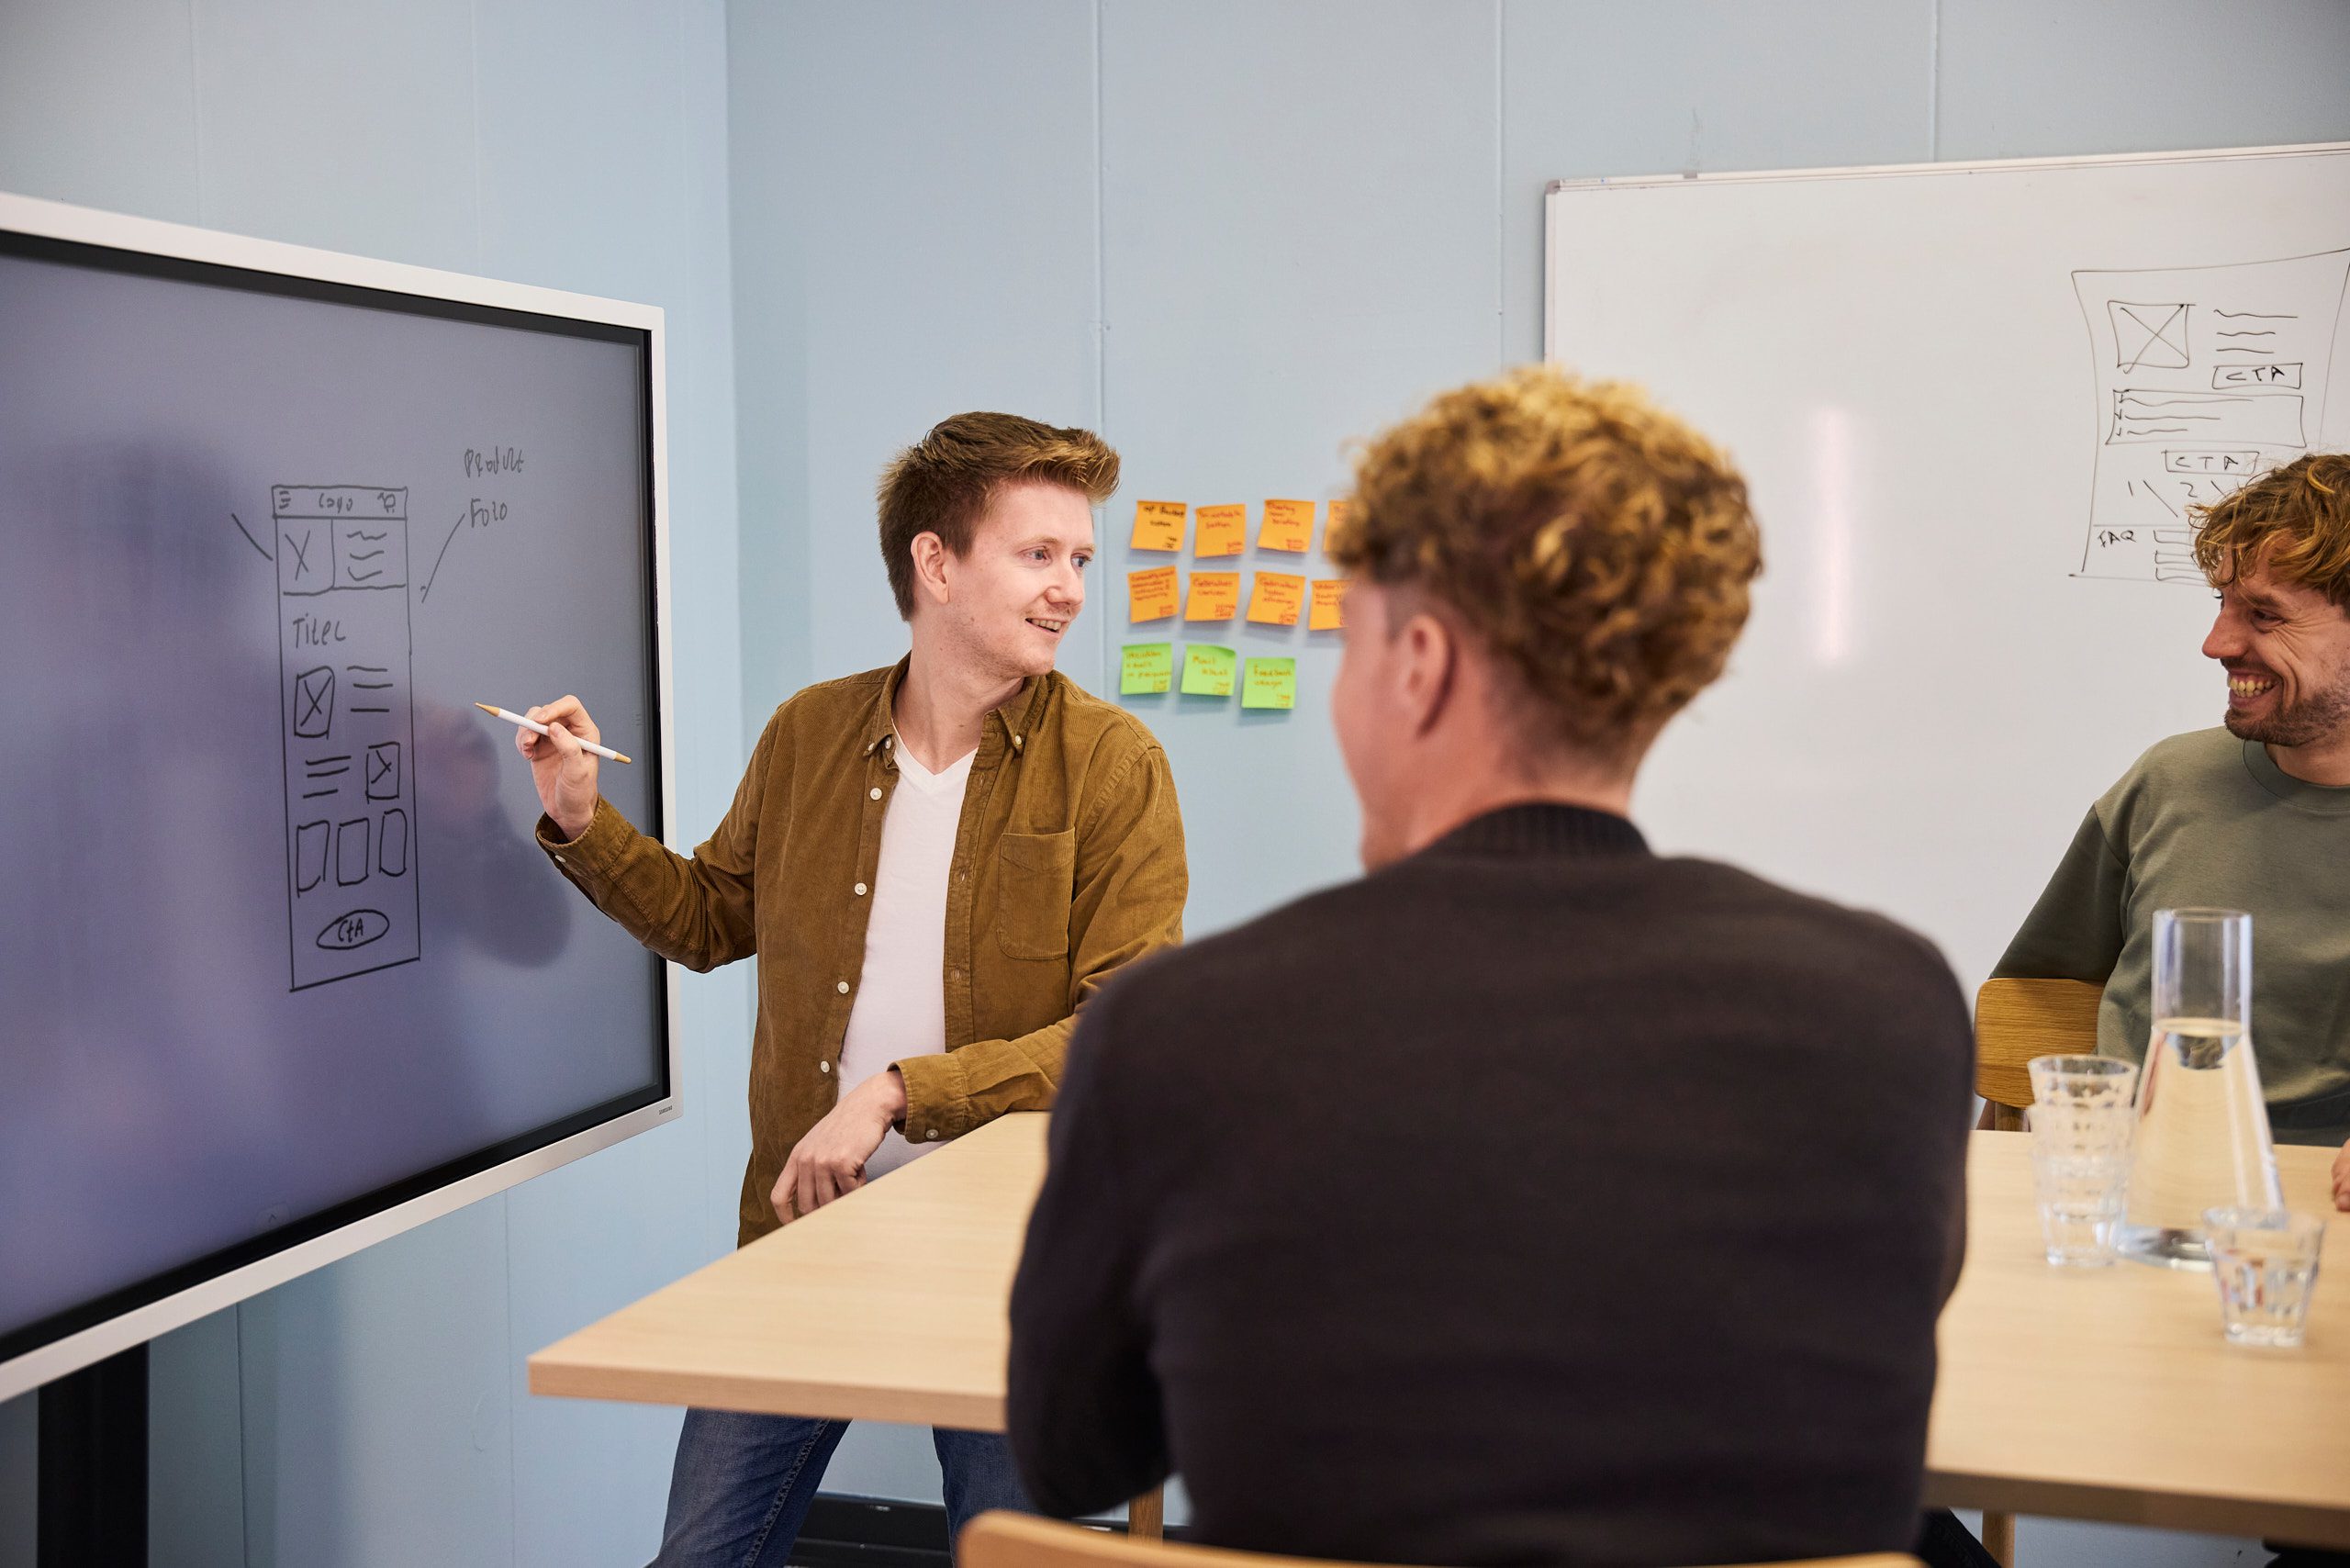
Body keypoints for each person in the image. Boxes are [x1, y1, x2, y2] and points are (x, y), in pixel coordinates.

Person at [1005, 367, 1975, 1567]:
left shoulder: (1179, 1030)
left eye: (1346, 645)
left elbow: (1075, 1455)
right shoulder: (1891, 1007)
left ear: (1418, 664)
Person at [513, 412, 1187, 1567]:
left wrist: (897, 1091)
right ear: (936, 564)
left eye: (1079, 557)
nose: (1070, 588)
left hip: (1018, 1264)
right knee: (701, 1557)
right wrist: (580, 816)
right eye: (1038, 554)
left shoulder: (1112, 763)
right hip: (803, 1231)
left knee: (1005, 1558)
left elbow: (1124, 1034)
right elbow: (709, 919)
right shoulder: (808, 733)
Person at [1998, 453, 2350, 1200]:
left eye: (2264, 614)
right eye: (2223, 603)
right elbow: (2029, 1001)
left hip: (2322, 1206)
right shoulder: (2169, 783)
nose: (2217, 643)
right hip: (2136, 1196)